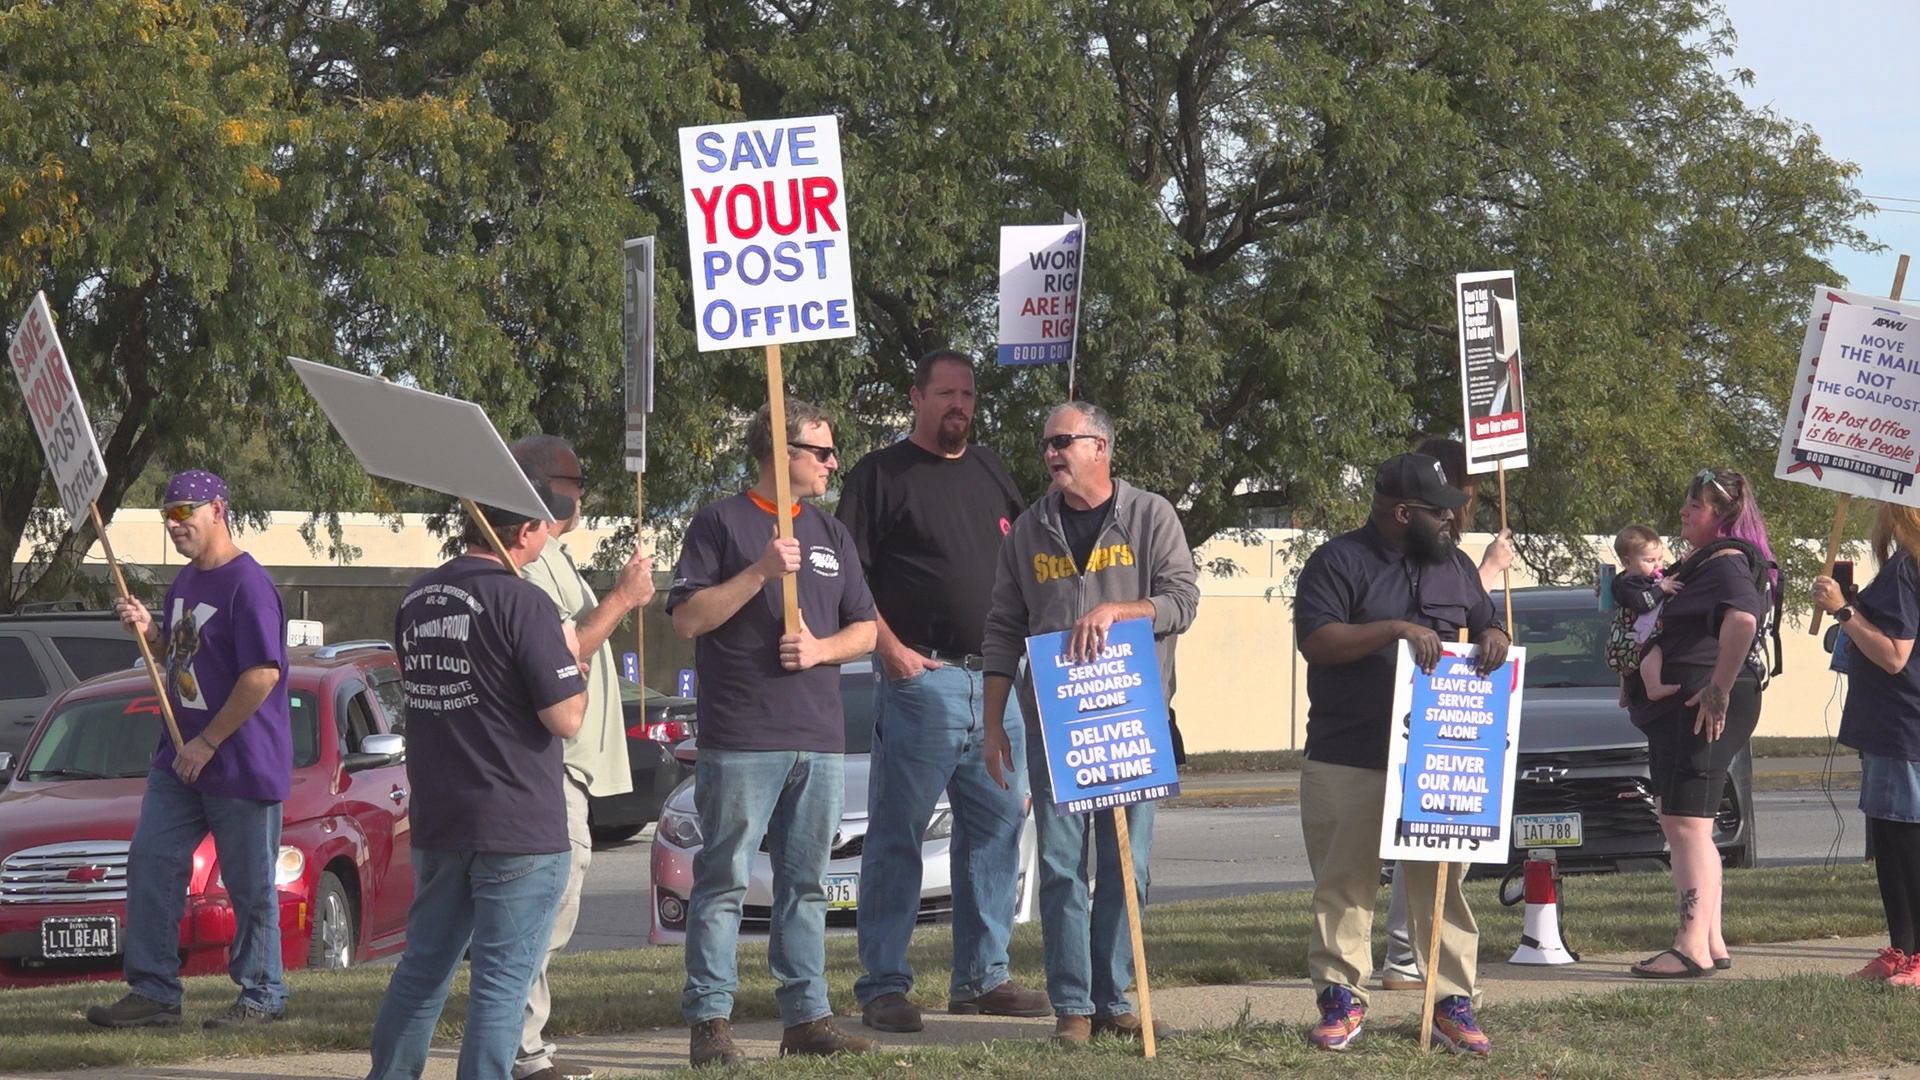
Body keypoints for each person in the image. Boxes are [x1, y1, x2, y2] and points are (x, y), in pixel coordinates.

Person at [836, 350, 1048, 1032]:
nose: (959, 405)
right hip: (921, 682)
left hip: (995, 682)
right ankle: (884, 985)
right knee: (897, 836)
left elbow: (1026, 561)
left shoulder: (989, 468)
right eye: (946, 393)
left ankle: (982, 978)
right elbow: (846, 578)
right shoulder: (879, 476)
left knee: (995, 830)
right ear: (916, 396)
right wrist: (890, 650)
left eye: (967, 394)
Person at [980, 401, 1199, 1046]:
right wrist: (993, 723)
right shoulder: (1028, 530)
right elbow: (1001, 628)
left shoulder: (1150, 515)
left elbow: (1182, 600)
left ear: (1101, 446)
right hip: (1057, 723)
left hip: (1133, 718)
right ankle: (1072, 1005)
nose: (1051, 453)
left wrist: (1118, 610)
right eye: (1046, 442)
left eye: (1063, 441)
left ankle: (1116, 996)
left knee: (1130, 867)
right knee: (1060, 864)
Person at [670, 400, 879, 1066]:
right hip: (741, 738)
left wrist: (820, 650)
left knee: (806, 884)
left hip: (818, 739)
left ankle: (807, 1018)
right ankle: (711, 1022)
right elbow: (688, 619)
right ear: (781, 453)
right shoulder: (719, 524)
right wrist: (761, 571)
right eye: (820, 451)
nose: (831, 463)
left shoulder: (831, 533)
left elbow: (867, 628)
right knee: (725, 878)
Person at [366, 478, 589, 1080]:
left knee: (423, 968)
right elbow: (565, 716)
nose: (550, 533)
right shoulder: (525, 601)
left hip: (442, 816)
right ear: (523, 532)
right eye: (545, 524)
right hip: (516, 821)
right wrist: (573, 659)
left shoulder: (418, 597)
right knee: (500, 983)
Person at [1292, 452, 1508, 1056]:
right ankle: (1341, 1000)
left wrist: (1494, 635)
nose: (1451, 521)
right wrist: (1393, 628)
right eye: (1441, 512)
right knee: (1345, 883)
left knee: (1441, 884)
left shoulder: (1457, 566)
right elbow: (1318, 640)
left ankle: (1452, 1005)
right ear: (1402, 511)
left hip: (1437, 760)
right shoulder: (1339, 560)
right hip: (1350, 751)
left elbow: (1487, 622)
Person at [87, 472, 294, 1030]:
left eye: (184, 512)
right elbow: (177, 652)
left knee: (250, 885)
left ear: (218, 510)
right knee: (151, 863)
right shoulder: (184, 583)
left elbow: (262, 676)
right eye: (166, 515)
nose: (174, 524)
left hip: (239, 760)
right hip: (178, 759)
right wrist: (149, 628)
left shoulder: (247, 586)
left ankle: (263, 993)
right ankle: (154, 992)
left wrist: (208, 740)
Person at [509, 436, 656, 1080]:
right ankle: (520, 1048)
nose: (583, 493)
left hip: (569, 765)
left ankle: (520, 1042)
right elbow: (565, 653)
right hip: (550, 763)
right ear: (542, 487)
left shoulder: (556, 559)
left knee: (553, 912)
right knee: (544, 912)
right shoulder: (530, 568)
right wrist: (621, 600)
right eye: (575, 480)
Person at [1378, 437, 1517, 994]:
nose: (1460, 506)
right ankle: (1408, 959)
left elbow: (1478, 621)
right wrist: (1489, 566)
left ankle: (1422, 966)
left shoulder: (1449, 556)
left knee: (1437, 849)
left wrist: (1496, 632)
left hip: (1451, 721)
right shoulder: (1377, 557)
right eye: (1448, 500)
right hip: (1407, 720)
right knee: (1419, 849)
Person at [1626, 467, 1773, 979]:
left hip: (1699, 705)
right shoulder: (1711, 561)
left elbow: (1743, 620)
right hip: (1683, 707)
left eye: (1695, 505)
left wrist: (1718, 688)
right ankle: (1709, 940)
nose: (1684, 513)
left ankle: (1689, 946)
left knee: (1687, 824)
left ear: (1723, 515)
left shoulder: (1727, 560)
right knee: (1687, 824)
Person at [1818, 503, 1920, 983]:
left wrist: (1843, 610)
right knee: (1888, 834)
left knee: (1904, 838)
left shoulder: (1905, 568)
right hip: (1889, 723)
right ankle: (1901, 947)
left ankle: (1914, 954)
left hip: (1901, 720)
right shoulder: (1905, 564)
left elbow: (1895, 654)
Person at [1610, 524, 1685, 702]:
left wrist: (1682, 564)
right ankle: (1653, 687)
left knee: (1630, 666)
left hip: (1630, 641)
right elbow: (1642, 603)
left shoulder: (1645, 578)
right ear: (1627, 562)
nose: (1657, 565)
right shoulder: (1628, 585)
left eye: (1660, 559)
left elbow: (1666, 575)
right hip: (1628, 639)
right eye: (1650, 560)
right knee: (1654, 652)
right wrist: (1661, 590)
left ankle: (1625, 695)